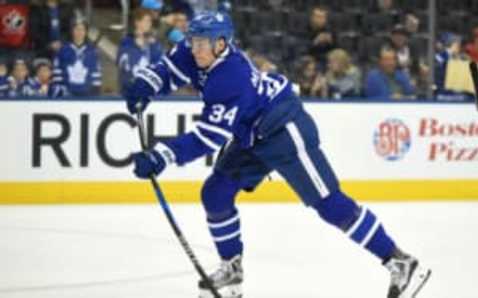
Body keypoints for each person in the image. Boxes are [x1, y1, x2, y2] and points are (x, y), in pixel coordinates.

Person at [124, 11, 431, 298]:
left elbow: (209, 137)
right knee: (216, 192)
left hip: (284, 127)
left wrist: (161, 155)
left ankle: (399, 260)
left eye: (201, 44)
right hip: (252, 134)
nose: (194, 49)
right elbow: (168, 70)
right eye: (192, 42)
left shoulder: (231, 76)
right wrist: (145, 85)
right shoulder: (197, 52)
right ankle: (232, 270)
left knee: (329, 204)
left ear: (221, 44)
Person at [117, 8, 163, 94]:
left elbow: (160, 67)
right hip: (129, 92)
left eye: (150, 21)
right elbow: (123, 65)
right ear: (137, 22)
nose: (149, 24)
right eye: (146, 21)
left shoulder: (154, 44)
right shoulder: (126, 42)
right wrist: (136, 48)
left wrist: (152, 47)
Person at [52, 17, 102, 97]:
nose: (79, 32)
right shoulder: (63, 49)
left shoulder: (92, 51)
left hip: (87, 94)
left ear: (86, 32)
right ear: (72, 31)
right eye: (77, 29)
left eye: (82, 29)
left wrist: (95, 92)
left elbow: (96, 74)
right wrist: (59, 91)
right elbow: (57, 72)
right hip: (67, 94)